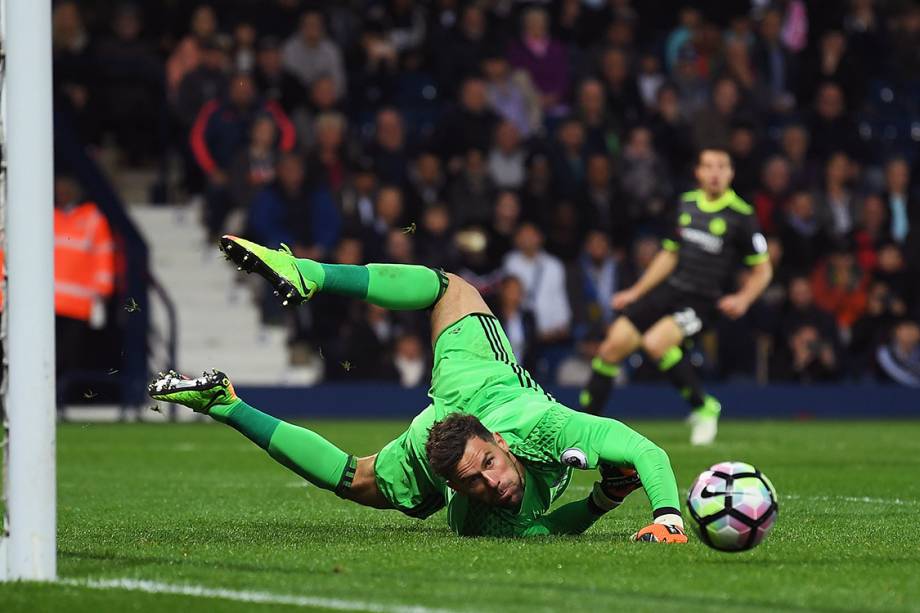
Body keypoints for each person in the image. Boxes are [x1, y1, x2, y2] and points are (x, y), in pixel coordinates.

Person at [150, 235, 688, 542]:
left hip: (472, 381)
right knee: (450, 286)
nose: (492, 484)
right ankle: (241, 378)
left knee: (353, 477)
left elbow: (637, 458)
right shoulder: (523, 462)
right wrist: (657, 514)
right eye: (475, 480)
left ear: (499, 442)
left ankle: (232, 395)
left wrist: (611, 498)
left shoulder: (501, 478)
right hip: (464, 397)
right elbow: (643, 453)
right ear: (452, 483)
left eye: (487, 466)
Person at [578, 148, 772, 445]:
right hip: (671, 290)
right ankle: (584, 427)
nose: (715, 172)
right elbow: (669, 254)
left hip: (704, 300)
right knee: (611, 347)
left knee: (656, 342)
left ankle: (705, 407)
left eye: (722, 166)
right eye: (708, 166)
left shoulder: (741, 216)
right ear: (698, 172)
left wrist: (743, 299)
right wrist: (635, 292)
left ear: (731, 172)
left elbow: (763, 270)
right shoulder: (686, 204)